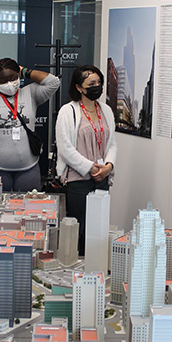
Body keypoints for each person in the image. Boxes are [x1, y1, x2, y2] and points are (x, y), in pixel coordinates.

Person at [0, 58, 60, 193]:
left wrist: (24, 71)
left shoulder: (30, 93)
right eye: (2, 81)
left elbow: (54, 82)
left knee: (27, 210)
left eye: (13, 78)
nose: (8, 83)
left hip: (28, 168)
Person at [55, 65, 117, 255]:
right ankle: (75, 269)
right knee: (78, 230)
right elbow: (65, 147)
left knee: (97, 231)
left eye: (99, 83)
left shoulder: (105, 110)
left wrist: (109, 166)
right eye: (91, 83)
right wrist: (89, 167)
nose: (97, 87)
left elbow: (112, 142)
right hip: (78, 179)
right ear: (79, 87)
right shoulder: (68, 111)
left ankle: (94, 269)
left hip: (102, 179)